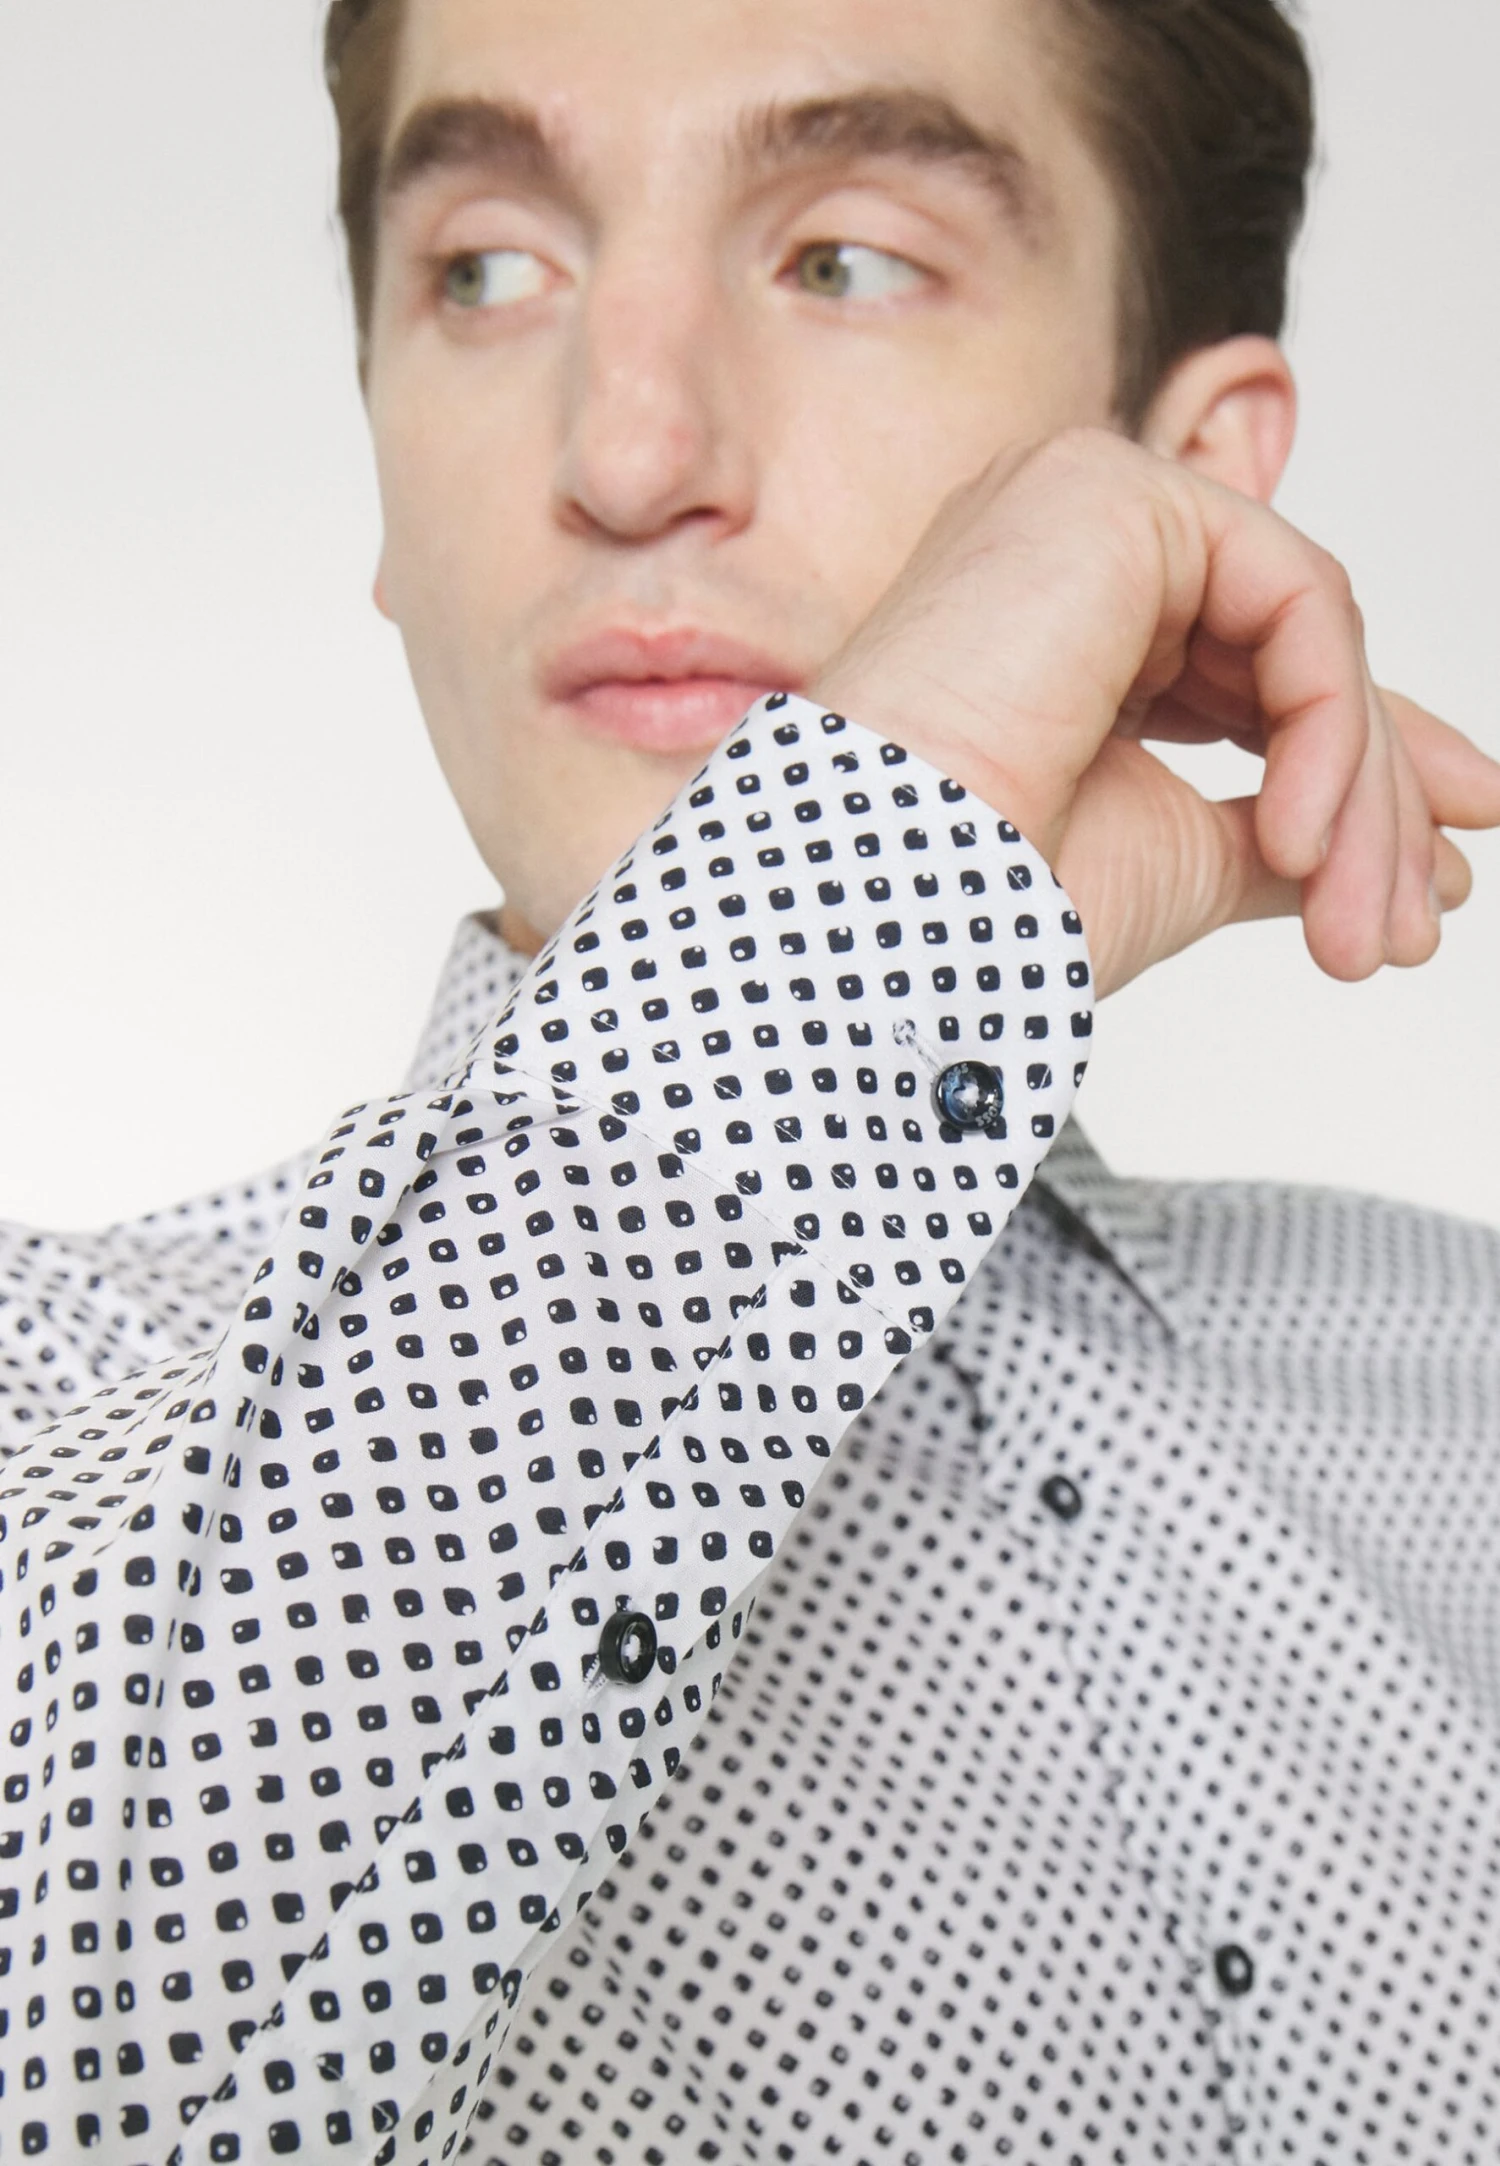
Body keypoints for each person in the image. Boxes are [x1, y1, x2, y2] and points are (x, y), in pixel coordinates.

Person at [2, 0, 1498, 2160]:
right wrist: (857, 897)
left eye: (845, 258)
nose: (625, 455)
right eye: (486, 269)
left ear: (1191, 471)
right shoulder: (60, 1434)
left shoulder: (1468, 1372)